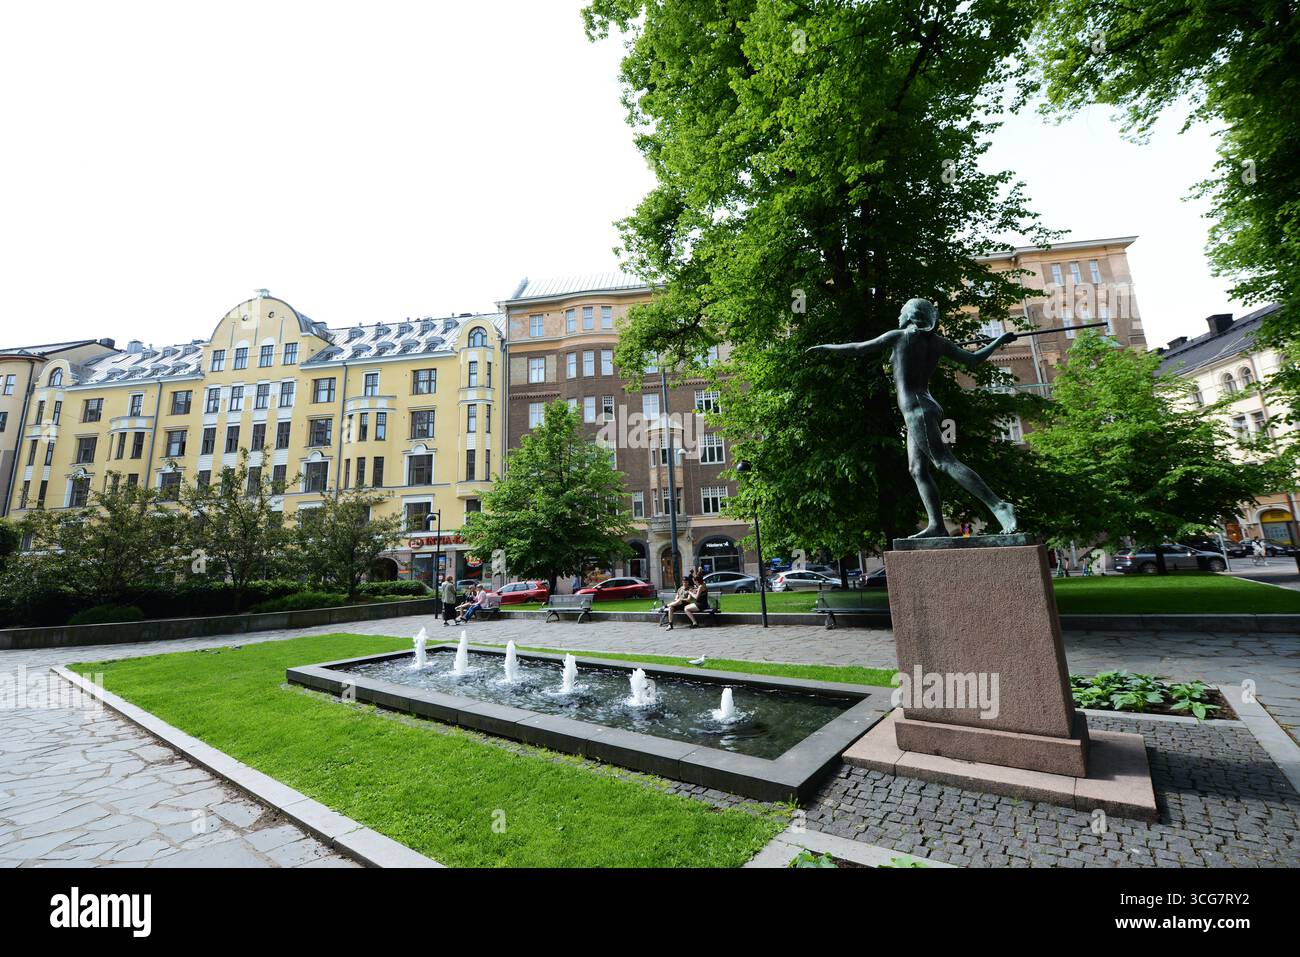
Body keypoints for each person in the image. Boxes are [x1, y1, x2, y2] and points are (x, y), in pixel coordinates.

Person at [808, 298, 1019, 538]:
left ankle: (999, 506)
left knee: (943, 462)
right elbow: (973, 360)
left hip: (917, 409)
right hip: (924, 406)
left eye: (901, 312)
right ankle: (937, 525)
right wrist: (999, 341)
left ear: (910, 315)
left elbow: (858, 348)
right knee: (917, 469)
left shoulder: (898, 336)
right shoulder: (938, 342)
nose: (898, 316)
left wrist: (827, 348)